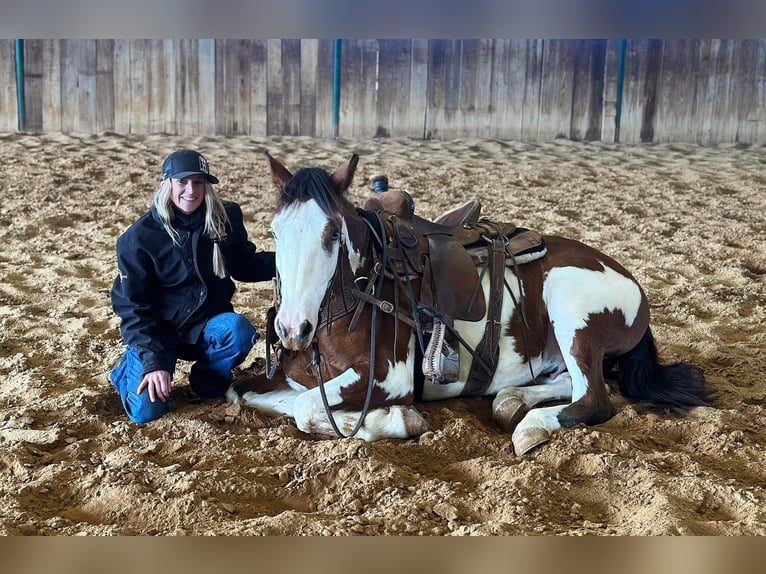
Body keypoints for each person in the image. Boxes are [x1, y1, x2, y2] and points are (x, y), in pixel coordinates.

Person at [109, 149, 275, 423]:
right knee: (145, 413)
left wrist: (289, 261)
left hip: (204, 325)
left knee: (238, 331)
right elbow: (134, 309)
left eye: (199, 182)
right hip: (158, 335)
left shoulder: (225, 218)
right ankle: (125, 370)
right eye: (182, 182)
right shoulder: (137, 239)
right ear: (166, 184)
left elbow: (244, 265)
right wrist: (152, 363)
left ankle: (207, 383)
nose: (191, 190)